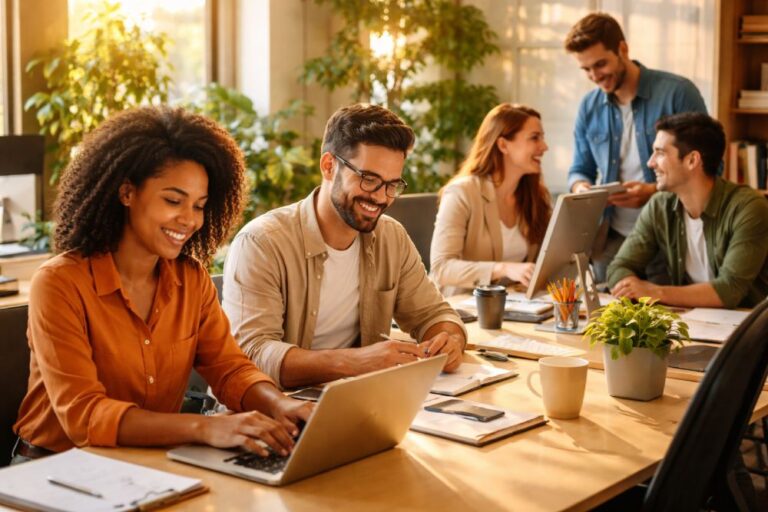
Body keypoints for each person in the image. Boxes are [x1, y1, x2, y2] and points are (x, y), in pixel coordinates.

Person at [12, 107, 312, 464]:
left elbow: (230, 368)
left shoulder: (190, 279)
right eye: (173, 200)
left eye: (199, 206)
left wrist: (283, 406)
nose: (189, 220)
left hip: (151, 462)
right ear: (127, 193)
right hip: (54, 468)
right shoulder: (59, 283)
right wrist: (203, 428)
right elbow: (85, 417)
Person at [223, 103, 466, 389]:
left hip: (353, 399)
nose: (380, 197)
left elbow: (433, 315)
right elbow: (251, 354)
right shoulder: (263, 243)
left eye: (392, 185)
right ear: (328, 166)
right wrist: (355, 362)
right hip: (270, 410)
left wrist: (449, 340)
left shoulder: (391, 237)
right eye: (369, 179)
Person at [564, 12, 708, 283]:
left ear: (623, 49)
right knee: (607, 316)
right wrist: (583, 190)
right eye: (586, 69)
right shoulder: (589, 107)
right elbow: (578, 170)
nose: (595, 76)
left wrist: (654, 192)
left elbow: (710, 167)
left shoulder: (677, 93)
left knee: (671, 318)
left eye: (600, 64)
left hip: (669, 235)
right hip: (612, 236)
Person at [608, 112, 768, 308]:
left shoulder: (749, 207)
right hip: (691, 323)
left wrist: (654, 292)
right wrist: (631, 286)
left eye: (660, 153)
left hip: (746, 328)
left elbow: (729, 290)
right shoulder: (660, 205)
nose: (651, 163)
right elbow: (619, 266)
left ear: (692, 160)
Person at [430, 104, 552, 296]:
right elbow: (442, 268)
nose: (544, 147)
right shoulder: (462, 192)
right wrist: (503, 268)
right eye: (534, 138)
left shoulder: (534, 196)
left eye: (542, 138)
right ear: (503, 145)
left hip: (514, 306)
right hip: (461, 309)